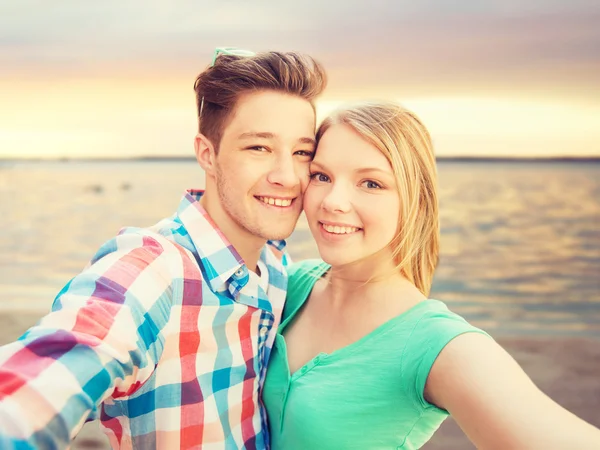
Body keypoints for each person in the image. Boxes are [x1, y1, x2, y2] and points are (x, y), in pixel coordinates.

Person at [0, 48, 326, 449]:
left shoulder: (275, 266)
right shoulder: (155, 271)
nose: (287, 176)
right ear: (208, 154)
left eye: (302, 153)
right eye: (258, 147)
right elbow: (52, 371)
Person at [262, 102, 600, 449]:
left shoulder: (437, 344)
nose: (333, 201)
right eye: (322, 176)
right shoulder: (286, 284)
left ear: (415, 200)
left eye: (371, 183)